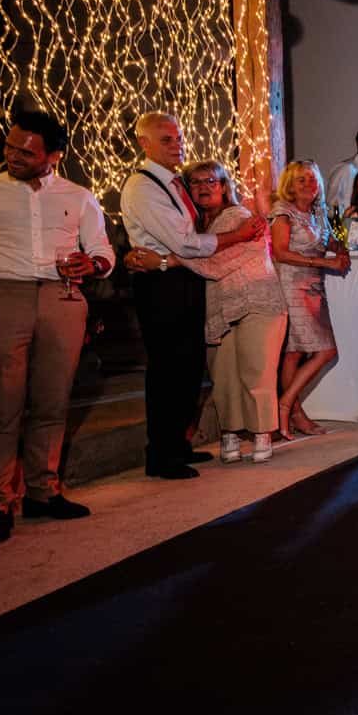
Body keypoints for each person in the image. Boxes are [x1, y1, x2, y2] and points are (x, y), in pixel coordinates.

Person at [0, 111, 112, 545]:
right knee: (1, 404)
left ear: (53, 155)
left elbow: (101, 249)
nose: (13, 156)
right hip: (2, 295)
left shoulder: (79, 195)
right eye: (9, 147)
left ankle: (43, 492)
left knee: (52, 399)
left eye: (25, 151)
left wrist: (94, 263)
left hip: (62, 297)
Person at [121, 112, 264, 480]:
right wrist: (240, 235)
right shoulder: (143, 186)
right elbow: (185, 242)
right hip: (160, 284)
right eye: (166, 139)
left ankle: (177, 445)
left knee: (186, 368)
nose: (177, 144)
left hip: (180, 278)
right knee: (168, 369)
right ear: (144, 143)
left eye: (178, 137)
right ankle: (161, 455)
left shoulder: (174, 183)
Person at [128, 160, 287, 464]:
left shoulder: (239, 217)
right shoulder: (192, 228)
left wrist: (165, 262)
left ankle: (261, 434)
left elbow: (220, 263)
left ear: (224, 187)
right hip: (217, 308)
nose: (203, 187)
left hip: (256, 302)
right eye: (196, 183)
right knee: (223, 376)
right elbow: (201, 255)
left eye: (210, 181)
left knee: (256, 371)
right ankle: (229, 433)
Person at [269, 159, 349, 439]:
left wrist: (342, 249)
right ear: (290, 184)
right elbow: (279, 252)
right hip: (291, 284)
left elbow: (328, 242)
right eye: (301, 179)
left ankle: (293, 412)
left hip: (314, 284)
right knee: (326, 350)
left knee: (295, 352)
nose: (308, 184)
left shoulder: (318, 212)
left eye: (313, 179)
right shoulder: (283, 212)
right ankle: (288, 404)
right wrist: (325, 264)